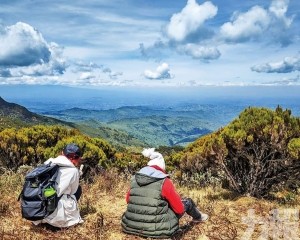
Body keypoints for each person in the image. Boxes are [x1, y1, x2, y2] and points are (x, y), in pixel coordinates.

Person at [121, 148, 208, 239]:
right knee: (187, 202)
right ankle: (199, 217)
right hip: (158, 230)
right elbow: (179, 209)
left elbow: (128, 200)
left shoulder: (135, 179)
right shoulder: (164, 181)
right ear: (162, 167)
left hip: (129, 226)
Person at [33, 143, 83, 228]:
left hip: (39, 208)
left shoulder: (49, 163)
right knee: (78, 190)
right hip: (57, 214)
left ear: (62, 153)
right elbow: (73, 191)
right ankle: (64, 217)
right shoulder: (73, 171)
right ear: (76, 158)